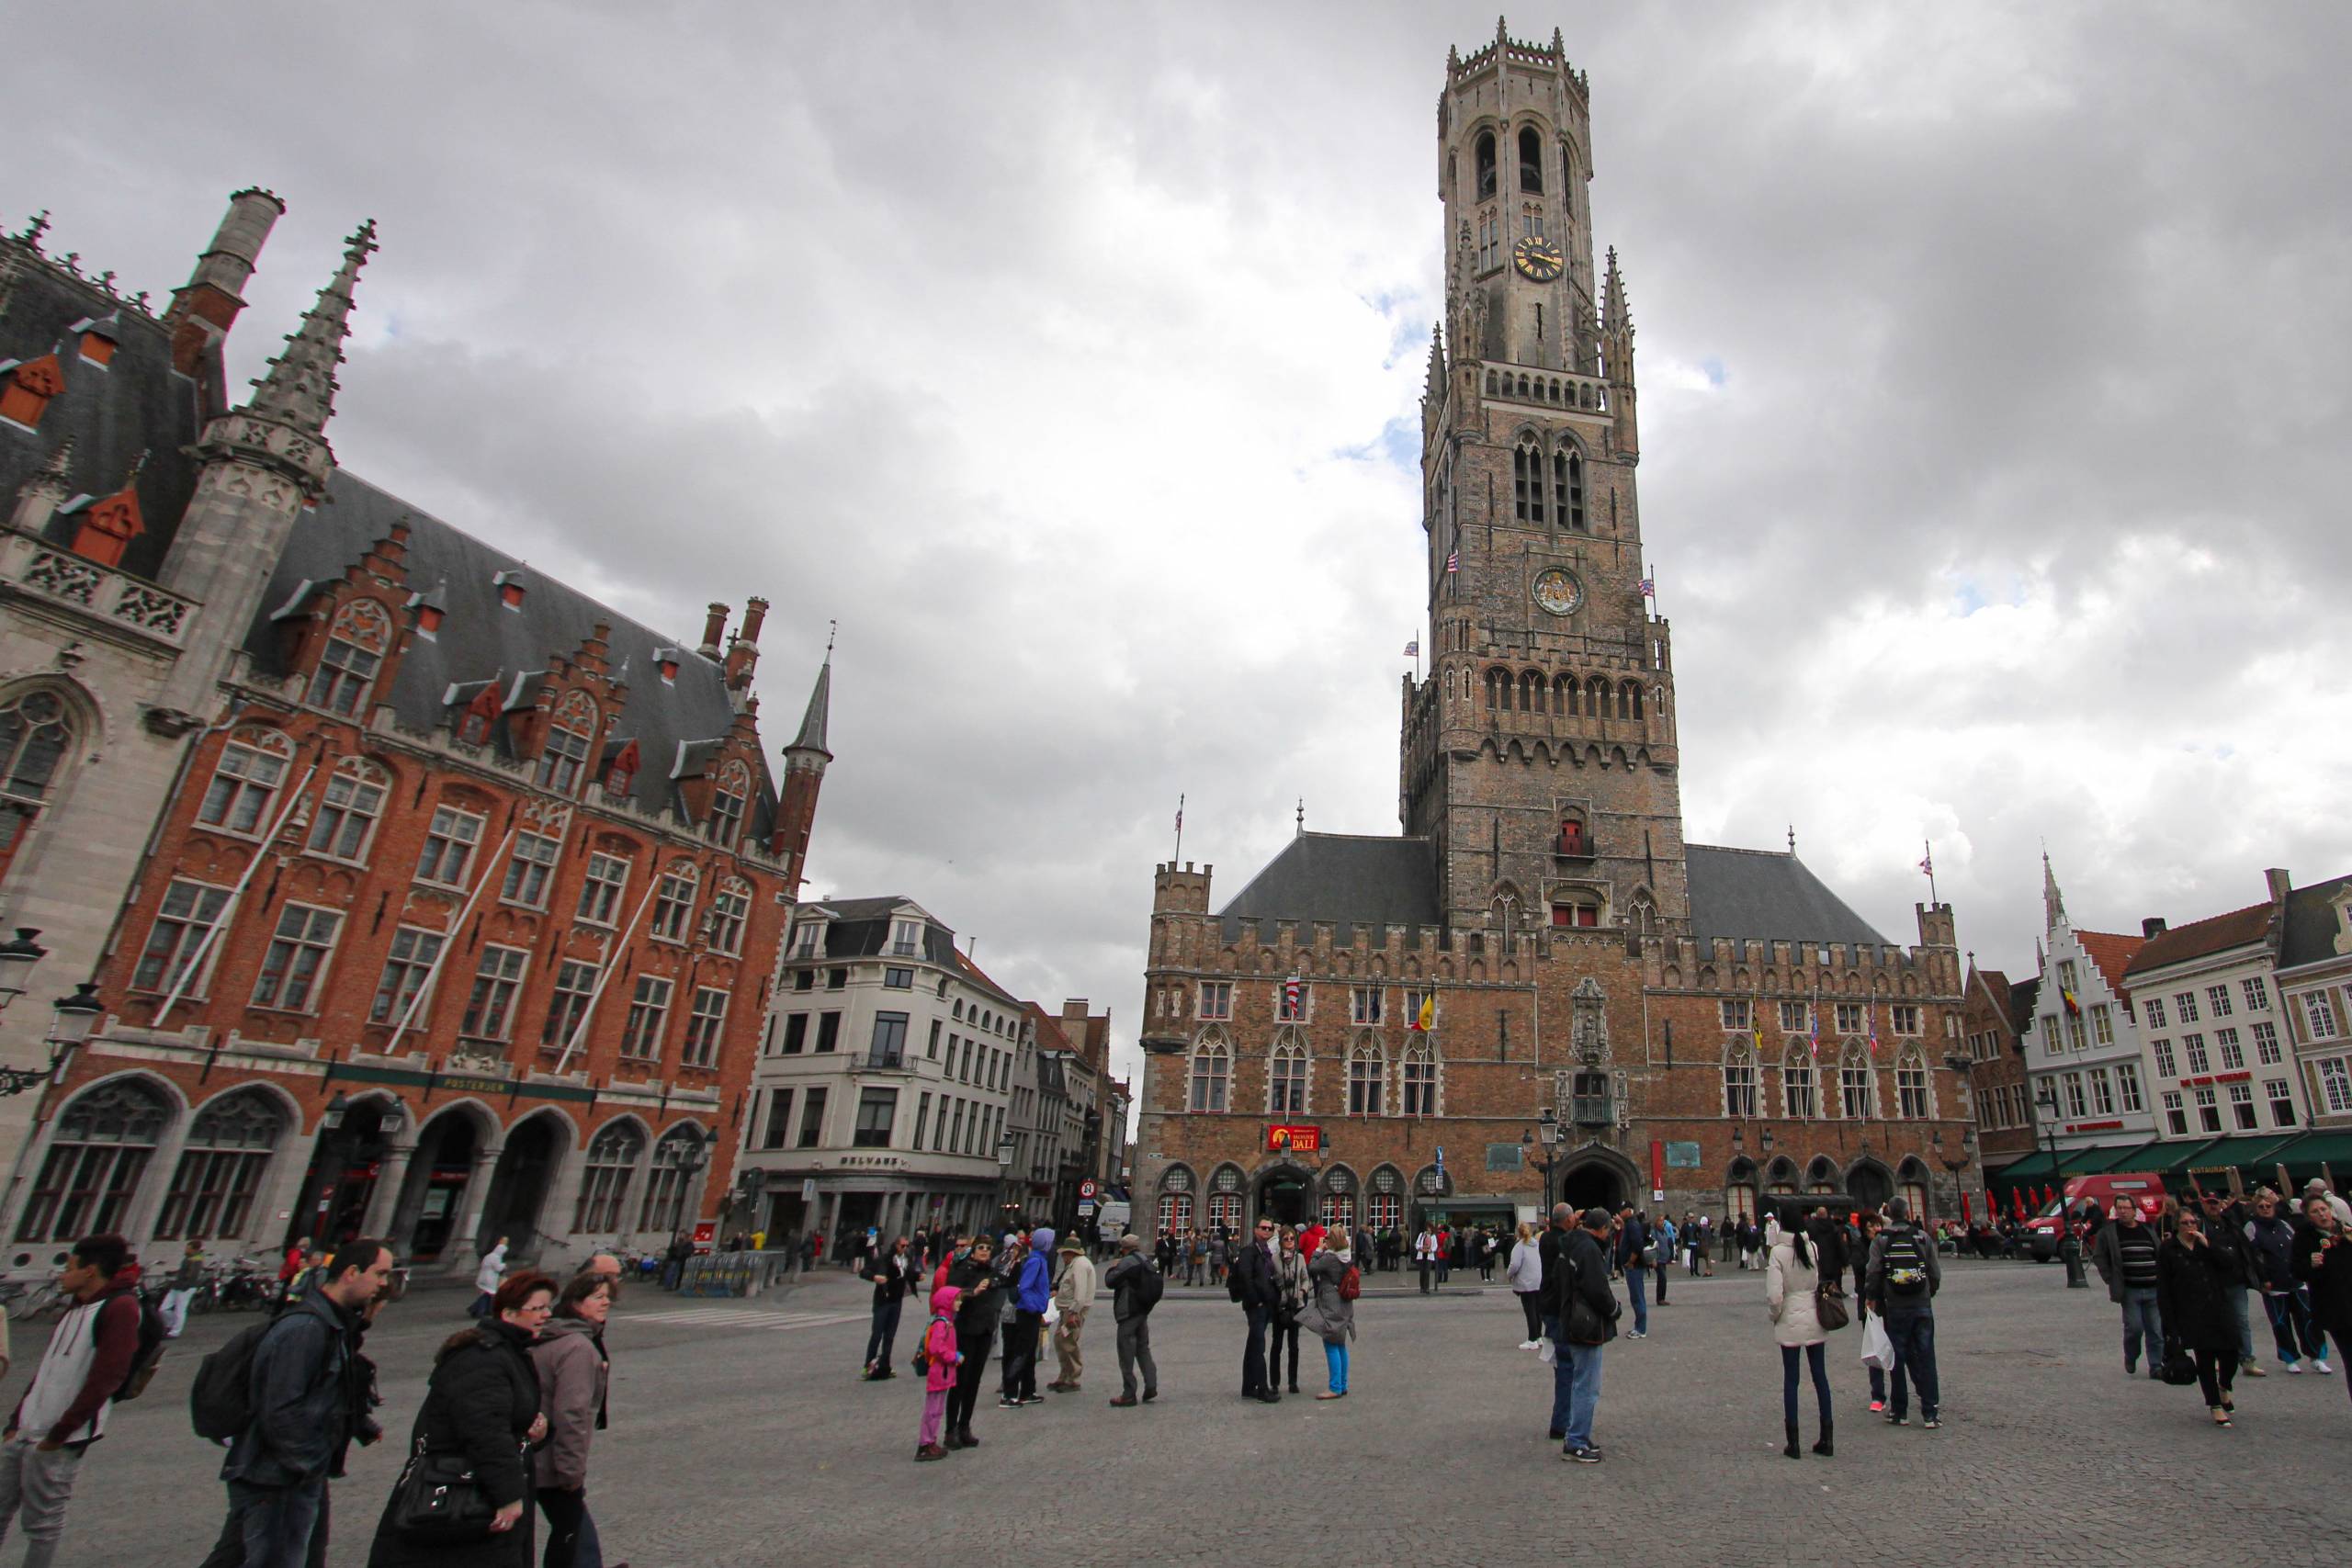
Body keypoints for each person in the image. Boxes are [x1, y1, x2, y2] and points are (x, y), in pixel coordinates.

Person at [207, 1237, 394, 1568]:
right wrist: (308, 1462)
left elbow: (329, 1388)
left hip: (289, 1473)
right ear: (352, 1272)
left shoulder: (331, 1324)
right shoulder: (306, 1327)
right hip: (278, 1476)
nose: (384, 1284)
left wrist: (357, 1424)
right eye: (381, 1274)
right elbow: (279, 1409)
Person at [367, 1270, 551, 1568]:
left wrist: (535, 1433)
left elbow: (501, 1418)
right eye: (538, 1308)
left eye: (547, 1307)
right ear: (509, 1313)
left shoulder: (510, 1352)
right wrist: (509, 1495)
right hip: (457, 1494)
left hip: (476, 1490)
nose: (546, 1314)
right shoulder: (482, 1357)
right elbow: (484, 1429)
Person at [0, 1235, 147, 1568]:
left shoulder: (120, 1308)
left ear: (90, 1270)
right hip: (25, 1430)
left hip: (58, 1439)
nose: (61, 1276)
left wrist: (59, 1434)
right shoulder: (77, 1306)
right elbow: (48, 1369)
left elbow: (107, 1378)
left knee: (42, 1524)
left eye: (68, 1268)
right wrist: (15, 1421)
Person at [530, 1272, 614, 1568]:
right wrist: (570, 1470)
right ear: (577, 1303)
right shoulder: (577, 1347)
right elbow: (571, 1413)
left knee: (568, 1533)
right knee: (577, 1535)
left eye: (607, 1296)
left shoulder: (556, 1335)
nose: (606, 1302)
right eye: (598, 1296)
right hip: (552, 1461)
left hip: (539, 1456)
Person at [2155, 1205, 2241, 1427]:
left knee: (2231, 1353)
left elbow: (2229, 1264)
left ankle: (2224, 1385)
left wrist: (2209, 1245)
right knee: (2205, 1359)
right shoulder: (2168, 1249)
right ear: (2177, 1226)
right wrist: (2170, 1326)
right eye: (2185, 1223)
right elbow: (2164, 1288)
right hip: (2191, 1312)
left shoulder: (2206, 1244)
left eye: (2193, 1222)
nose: (2190, 1226)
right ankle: (2214, 1405)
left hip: (2219, 1308)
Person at [1865, 1197, 1941, 1429]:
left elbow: (1873, 1272)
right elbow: (1934, 1271)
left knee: (1896, 1358)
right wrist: (1929, 1291)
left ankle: (1900, 1411)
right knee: (1926, 1356)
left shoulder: (1882, 1239)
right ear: (1908, 1213)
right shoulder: (1922, 1237)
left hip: (1895, 1304)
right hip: (1921, 1303)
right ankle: (1930, 1413)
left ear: (1889, 1213)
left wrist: (1872, 1298)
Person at [1550, 1207, 1619, 1462]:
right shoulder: (1589, 1250)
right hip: (1586, 1324)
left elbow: (1558, 1280)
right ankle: (1576, 1440)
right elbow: (1597, 1289)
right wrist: (1614, 1309)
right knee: (1587, 1386)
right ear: (1602, 1230)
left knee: (1582, 1381)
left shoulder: (1571, 1244)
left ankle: (1578, 1435)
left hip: (1571, 1317)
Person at [1766, 1217, 1834, 1459]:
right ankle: (1827, 1438)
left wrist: (1775, 1316)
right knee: (1820, 1377)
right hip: (1814, 1315)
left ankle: (1793, 1443)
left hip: (1790, 1318)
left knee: (1791, 1380)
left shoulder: (1778, 1253)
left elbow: (1775, 1296)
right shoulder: (1812, 1247)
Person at [2091, 1201, 2165, 1378]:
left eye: (2126, 1208)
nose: (2123, 1212)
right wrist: (2110, 1279)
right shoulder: (2109, 1232)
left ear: (2134, 1211)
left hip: (2153, 1287)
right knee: (2134, 1328)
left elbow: (2159, 1252)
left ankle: (2156, 1365)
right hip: (2130, 1289)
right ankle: (2131, 1355)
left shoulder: (2147, 1229)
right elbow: (2099, 1256)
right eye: (2119, 1208)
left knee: (2156, 1329)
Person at [2292, 1192, 2352, 1410]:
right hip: (2335, 1308)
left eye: (2323, 1209)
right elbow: (2297, 1271)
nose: (2322, 1214)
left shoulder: (2345, 1229)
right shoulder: (2305, 1237)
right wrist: (2312, 1266)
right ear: (2309, 1217)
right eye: (2315, 1212)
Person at [943, 1236, 999, 1449]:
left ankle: (965, 1426)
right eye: (981, 1248)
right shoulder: (962, 1269)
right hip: (965, 1330)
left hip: (984, 1330)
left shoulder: (990, 1271)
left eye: (988, 1248)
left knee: (974, 1381)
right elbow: (950, 1293)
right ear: (973, 1251)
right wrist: (971, 1292)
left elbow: (1008, 1279)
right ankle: (950, 1430)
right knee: (959, 1381)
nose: (985, 1251)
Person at [1102, 1235, 1159, 1407]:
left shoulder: (1128, 1262)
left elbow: (1110, 1281)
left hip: (1129, 1310)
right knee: (1143, 1348)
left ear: (1124, 1248)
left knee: (1126, 1352)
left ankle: (1129, 1393)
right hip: (1142, 1310)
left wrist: (1112, 1269)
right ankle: (1151, 1385)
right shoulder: (1145, 1260)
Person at [999, 1226, 1052, 1408]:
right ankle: (1009, 1393)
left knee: (1028, 1353)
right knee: (1021, 1352)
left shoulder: (1038, 1259)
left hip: (1032, 1310)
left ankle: (1028, 1390)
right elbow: (1025, 1287)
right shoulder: (1036, 1261)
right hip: (1028, 1311)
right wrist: (1033, 1305)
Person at [1232, 1215, 1282, 1403]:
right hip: (1256, 1306)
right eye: (1263, 1228)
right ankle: (1262, 1388)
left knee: (1253, 1345)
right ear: (1255, 1229)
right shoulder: (1249, 1251)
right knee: (1259, 1345)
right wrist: (1256, 1301)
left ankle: (1248, 1387)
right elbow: (1245, 1278)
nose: (1267, 1231)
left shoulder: (1265, 1251)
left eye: (1270, 1229)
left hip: (1265, 1304)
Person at [1302, 1227, 1355, 1399]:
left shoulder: (1331, 1258)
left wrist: (1318, 1250)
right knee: (1340, 1344)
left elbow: (1312, 1267)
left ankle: (1335, 1387)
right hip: (1345, 1303)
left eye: (1327, 1238)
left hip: (1332, 1303)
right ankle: (1343, 1383)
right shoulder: (1346, 1255)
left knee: (1331, 1343)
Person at [915, 1285, 962, 1460]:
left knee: (937, 1409)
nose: (959, 1303)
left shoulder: (947, 1321)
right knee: (933, 1409)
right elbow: (935, 1347)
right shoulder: (942, 1323)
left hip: (944, 1371)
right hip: (939, 1370)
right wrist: (953, 1356)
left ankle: (931, 1441)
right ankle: (925, 1443)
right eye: (957, 1300)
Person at [1047, 1235, 1097, 1393]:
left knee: (1068, 1343)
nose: (1063, 1257)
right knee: (1060, 1341)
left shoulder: (1080, 1266)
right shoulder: (1075, 1264)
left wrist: (1074, 1311)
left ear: (1070, 1253)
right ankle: (1064, 1375)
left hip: (1073, 1310)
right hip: (1067, 1310)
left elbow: (1080, 1291)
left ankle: (1072, 1378)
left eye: (1064, 1254)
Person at [863, 1235, 916, 1381]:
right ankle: (868, 1365)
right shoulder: (884, 1259)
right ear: (896, 1245)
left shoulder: (906, 1260)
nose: (905, 1249)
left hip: (897, 1301)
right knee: (876, 1335)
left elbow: (909, 1274)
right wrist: (875, 1278)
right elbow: (865, 1271)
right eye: (902, 1246)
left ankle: (885, 1366)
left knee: (890, 1337)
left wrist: (917, 1276)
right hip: (882, 1301)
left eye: (907, 1246)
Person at [1850, 1211, 1887, 1413]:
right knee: (1874, 1349)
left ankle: (1900, 1393)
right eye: (1872, 1225)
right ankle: (1878, 1395)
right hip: (1869, 1304)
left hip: (1888, 1302)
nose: (1876, 1229)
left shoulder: (1886, 1243)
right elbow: (1861, 1269)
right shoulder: (1860, 1246)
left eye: (1878, 1224)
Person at [1272, 1225, 1310, 1395]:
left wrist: (1302, 1291)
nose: (1289, 1242)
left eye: (1292, 1239)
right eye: (1286, 1239)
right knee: (1276, 1345)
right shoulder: (1274, 1260)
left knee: (1293, 1346)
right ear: (1280, 1241)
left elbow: (1306, 1279)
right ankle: (1274, 1383)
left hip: (1296, 1306)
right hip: (1280, 1307)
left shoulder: (1300, 1258)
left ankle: (1293, 1382)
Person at [1507, 1222, 1545, 1348]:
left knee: (1530, 1311)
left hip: (1525, 1282)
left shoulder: (1519, 1246)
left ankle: (1532, 1339)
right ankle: (1539, 1336)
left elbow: (1515, 1265)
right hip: (1537, 1280)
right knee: (1537, 1310)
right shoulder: (1536, 1244)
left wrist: (1509, 1274)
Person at [1618, 1210, 1652, 1339]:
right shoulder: (1630, 1224)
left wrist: (1630, 1261)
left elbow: (1637, 1245)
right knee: (1637, 1297)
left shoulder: (1632, 1225)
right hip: (1634, 1267)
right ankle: (1639, 1326)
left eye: (1623, 1210)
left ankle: (1641, 1329)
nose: (1621, 1213)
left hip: (1634, 1267)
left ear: (1628, 1211)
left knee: (1637, 1297)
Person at [471, 1235, 509, 1318]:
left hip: (483, 1276)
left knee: (486, 1295)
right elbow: (498, 1268)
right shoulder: (496, 1258)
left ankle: (484, 1310)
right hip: (490, 1278)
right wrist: (504, 1265)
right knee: (486, 1295)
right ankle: (478, 1310)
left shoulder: (489, 1256)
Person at [1653, 1214, 1675, 1306]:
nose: (1662, 1223)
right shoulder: (1654, 1232)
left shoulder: (1664, 1231)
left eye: (1663, 1221)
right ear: (1656, 1222)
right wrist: (1653, 1259)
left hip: (1664, 1259)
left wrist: (1670, 1256)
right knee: (1663, 1278)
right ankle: (1660, 1299)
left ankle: (1661, 1298)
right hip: (1658, 1259)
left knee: (1661, 1279)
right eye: (1660, 1221)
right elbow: (1653, 1246)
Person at [1413, 1224, 1438, 1293]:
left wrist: (1431, 1250)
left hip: (1429, 1256)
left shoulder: (1433, 1236)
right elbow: (1417, 1243)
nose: (1428, 1231)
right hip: (1422, 1255)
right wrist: (1419, 1248)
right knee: (1422, 1272)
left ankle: (1427, 1288)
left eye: (1430, 1230)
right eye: (1427, 1230)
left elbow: (1435, 1246)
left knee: (1427, 1272)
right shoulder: (1421, 1235)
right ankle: (1422, 1287)